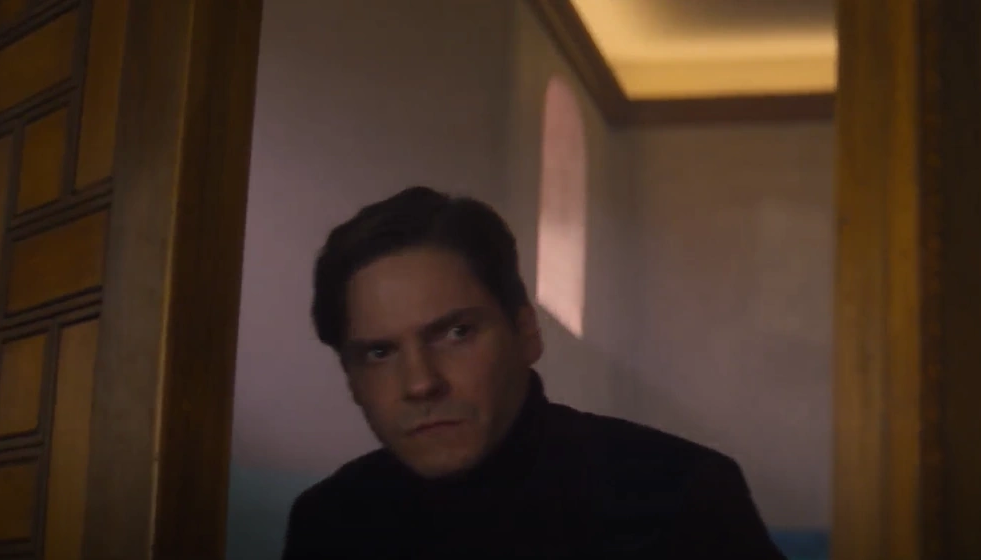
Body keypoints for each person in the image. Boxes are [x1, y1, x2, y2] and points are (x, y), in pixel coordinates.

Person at [282, 187, 786, 559]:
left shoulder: (681, 496)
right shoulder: (330, 522)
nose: (420, 382)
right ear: (350, 379)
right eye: (379, 353)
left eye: (456, 333)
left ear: (526, 332)